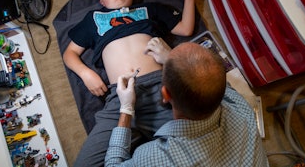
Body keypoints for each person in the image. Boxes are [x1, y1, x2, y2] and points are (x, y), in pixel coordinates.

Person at [63, 0, 208, 167]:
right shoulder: (93, 18)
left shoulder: (150, 9)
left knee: (195, 151)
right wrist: (86, 73)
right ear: (102, 1)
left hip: (160, 89)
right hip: (119, 98)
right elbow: (70, 53)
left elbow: (185, 28)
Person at [105, 41, 270, 166]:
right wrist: (175, 59)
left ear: (165, 95)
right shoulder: (242, 109)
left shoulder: (156, 157)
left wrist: (126, 109)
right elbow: (220, 84)